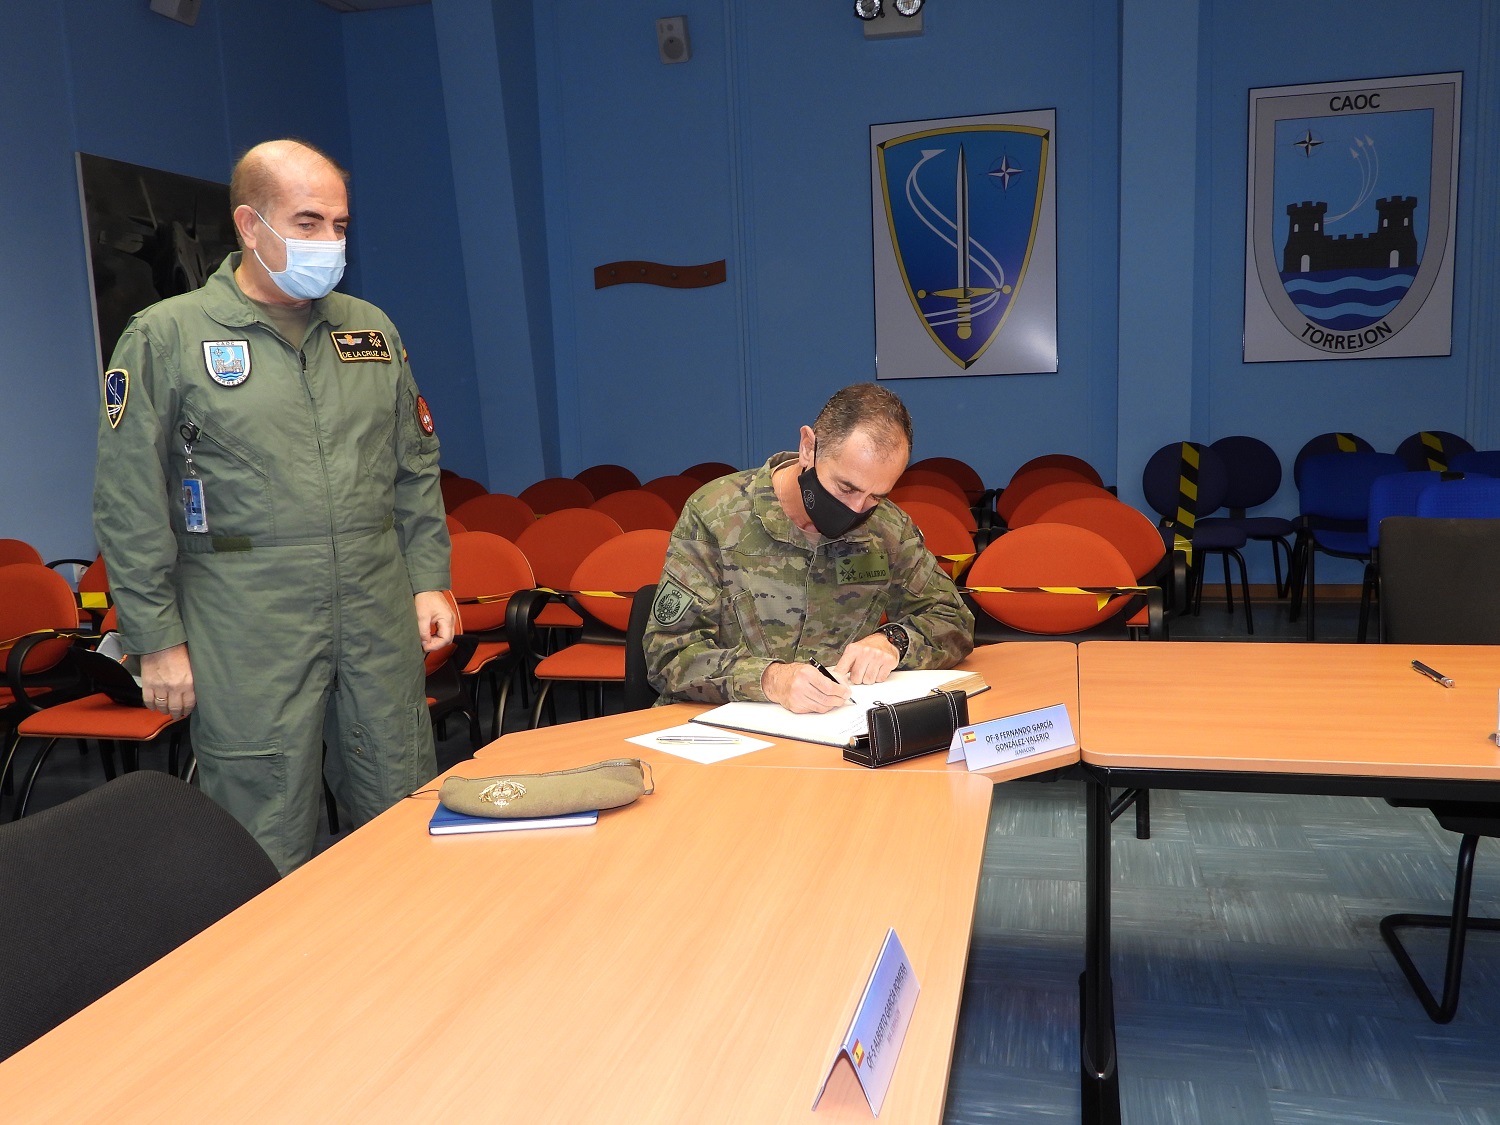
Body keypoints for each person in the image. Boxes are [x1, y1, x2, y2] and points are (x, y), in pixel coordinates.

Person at [93, 139, 453, 875]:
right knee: (261, 823)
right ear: (251, 226)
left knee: (402, 792)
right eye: (310, 222)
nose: (330, 243)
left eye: (341, 226)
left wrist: (428, 577)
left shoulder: (369, 330)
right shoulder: (168, 336)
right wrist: (155, 635)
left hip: (374, 602)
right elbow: (128, 498)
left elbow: (414, 467)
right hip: (246, 613)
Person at [644, 382, 973, 713]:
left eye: (876, 496)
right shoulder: (715, 514)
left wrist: (894, 642)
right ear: (808, 448)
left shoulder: (886, 529)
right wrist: (771, 679)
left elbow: (954, 619)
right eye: (846, 488)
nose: (858, 510)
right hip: (723, 729)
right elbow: (668, 654)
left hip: (835, 729)